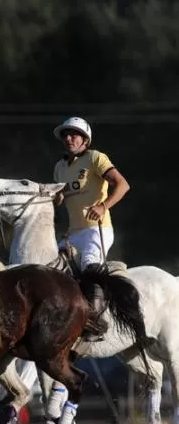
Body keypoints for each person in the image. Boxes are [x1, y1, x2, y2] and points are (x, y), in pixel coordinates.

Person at [52, 116, 129, 338]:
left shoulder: (96, 157)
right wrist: (55, 198)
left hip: (98, 229)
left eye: (74, 134)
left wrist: (104, 206)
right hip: (73, 234)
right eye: (66, 135)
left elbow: (123, 185)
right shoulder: (59, 167)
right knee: (49, 266)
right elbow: (60, 196)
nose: (68, 138)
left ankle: (96, 322)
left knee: (89, 266)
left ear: (85, 139)